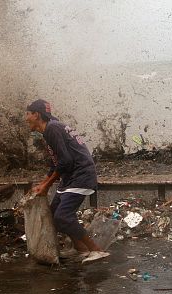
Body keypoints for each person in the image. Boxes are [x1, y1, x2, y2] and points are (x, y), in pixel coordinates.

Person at [25, 99, 109, 264]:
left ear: (36, 115)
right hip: (71, 177)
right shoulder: (52, 126)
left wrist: (47, 185)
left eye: (28, 114)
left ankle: (96, 250)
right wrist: (43, 183)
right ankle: (81, 250)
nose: (25, 118)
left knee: (63, 216)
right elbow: (56, 161)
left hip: (81, 175)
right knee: (55, 214)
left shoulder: (52, 129)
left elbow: (65, 162)